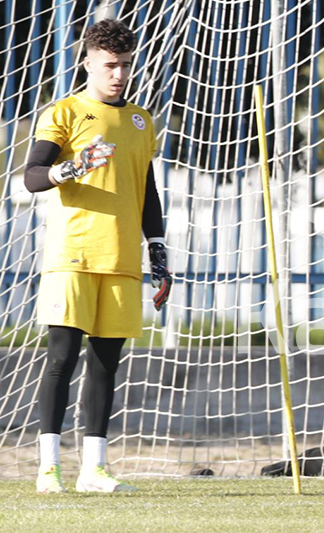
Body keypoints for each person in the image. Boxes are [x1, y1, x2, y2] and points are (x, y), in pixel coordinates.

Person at [24, 19, 171, 493]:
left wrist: (158, 252)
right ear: (88, 61)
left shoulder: (142, 120)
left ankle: (94, 470)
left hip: (123, 258)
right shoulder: (65, 112)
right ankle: (49, 468)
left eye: (126, 65)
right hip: (74, 255)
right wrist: (74, 166)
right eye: (110, 65)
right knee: (62, 358)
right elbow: (32, 176)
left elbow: (146, 190)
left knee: (106, 364)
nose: (119, 74)